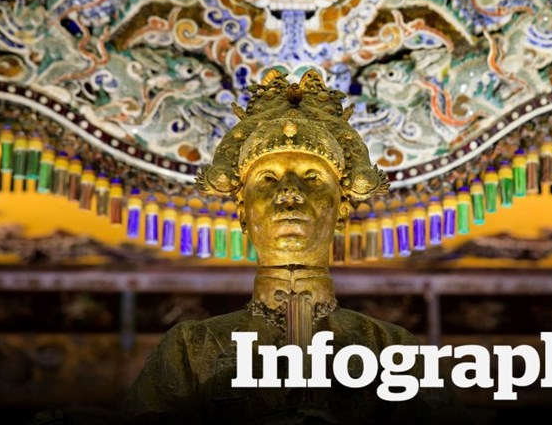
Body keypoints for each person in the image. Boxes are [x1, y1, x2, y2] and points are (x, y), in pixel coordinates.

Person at [121, 70, 471, 425]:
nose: (289, 193)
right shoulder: (191, 350)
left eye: (312, 177)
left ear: (341, 209)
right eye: (268, 178)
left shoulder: (391, 348)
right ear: (243, 211)